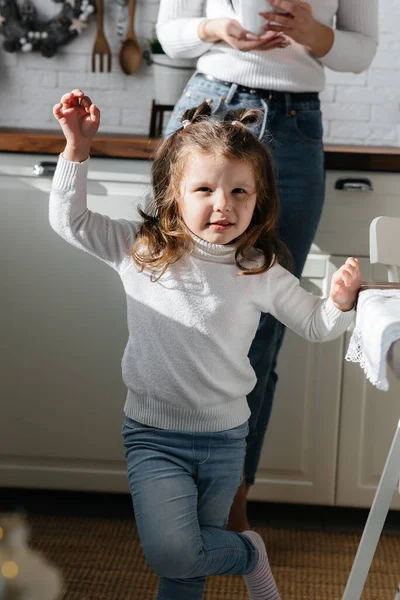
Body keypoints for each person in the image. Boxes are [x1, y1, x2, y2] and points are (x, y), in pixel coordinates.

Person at [50, 89, 361, 600]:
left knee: (185, 570)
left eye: (241, 192)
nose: (224, 204)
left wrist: (340, 302)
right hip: (153, 437)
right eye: (205, 190)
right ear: (174, 195)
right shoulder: (142, 249)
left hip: (224, 442)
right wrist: (75, 150)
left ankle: (235, 557)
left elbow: (315, 325)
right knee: (174, 550)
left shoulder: (258, 268)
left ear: (259, 199)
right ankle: (247, 553)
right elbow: (71, 222)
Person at [156, 0, 379, 532]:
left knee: (262, 334)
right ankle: (171, 491)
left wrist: (313, 33)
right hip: (210, 107)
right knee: (177, 308)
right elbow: (170, 35)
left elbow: (360, 52)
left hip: (297, 125)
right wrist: (218, 29)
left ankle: (232, 501)